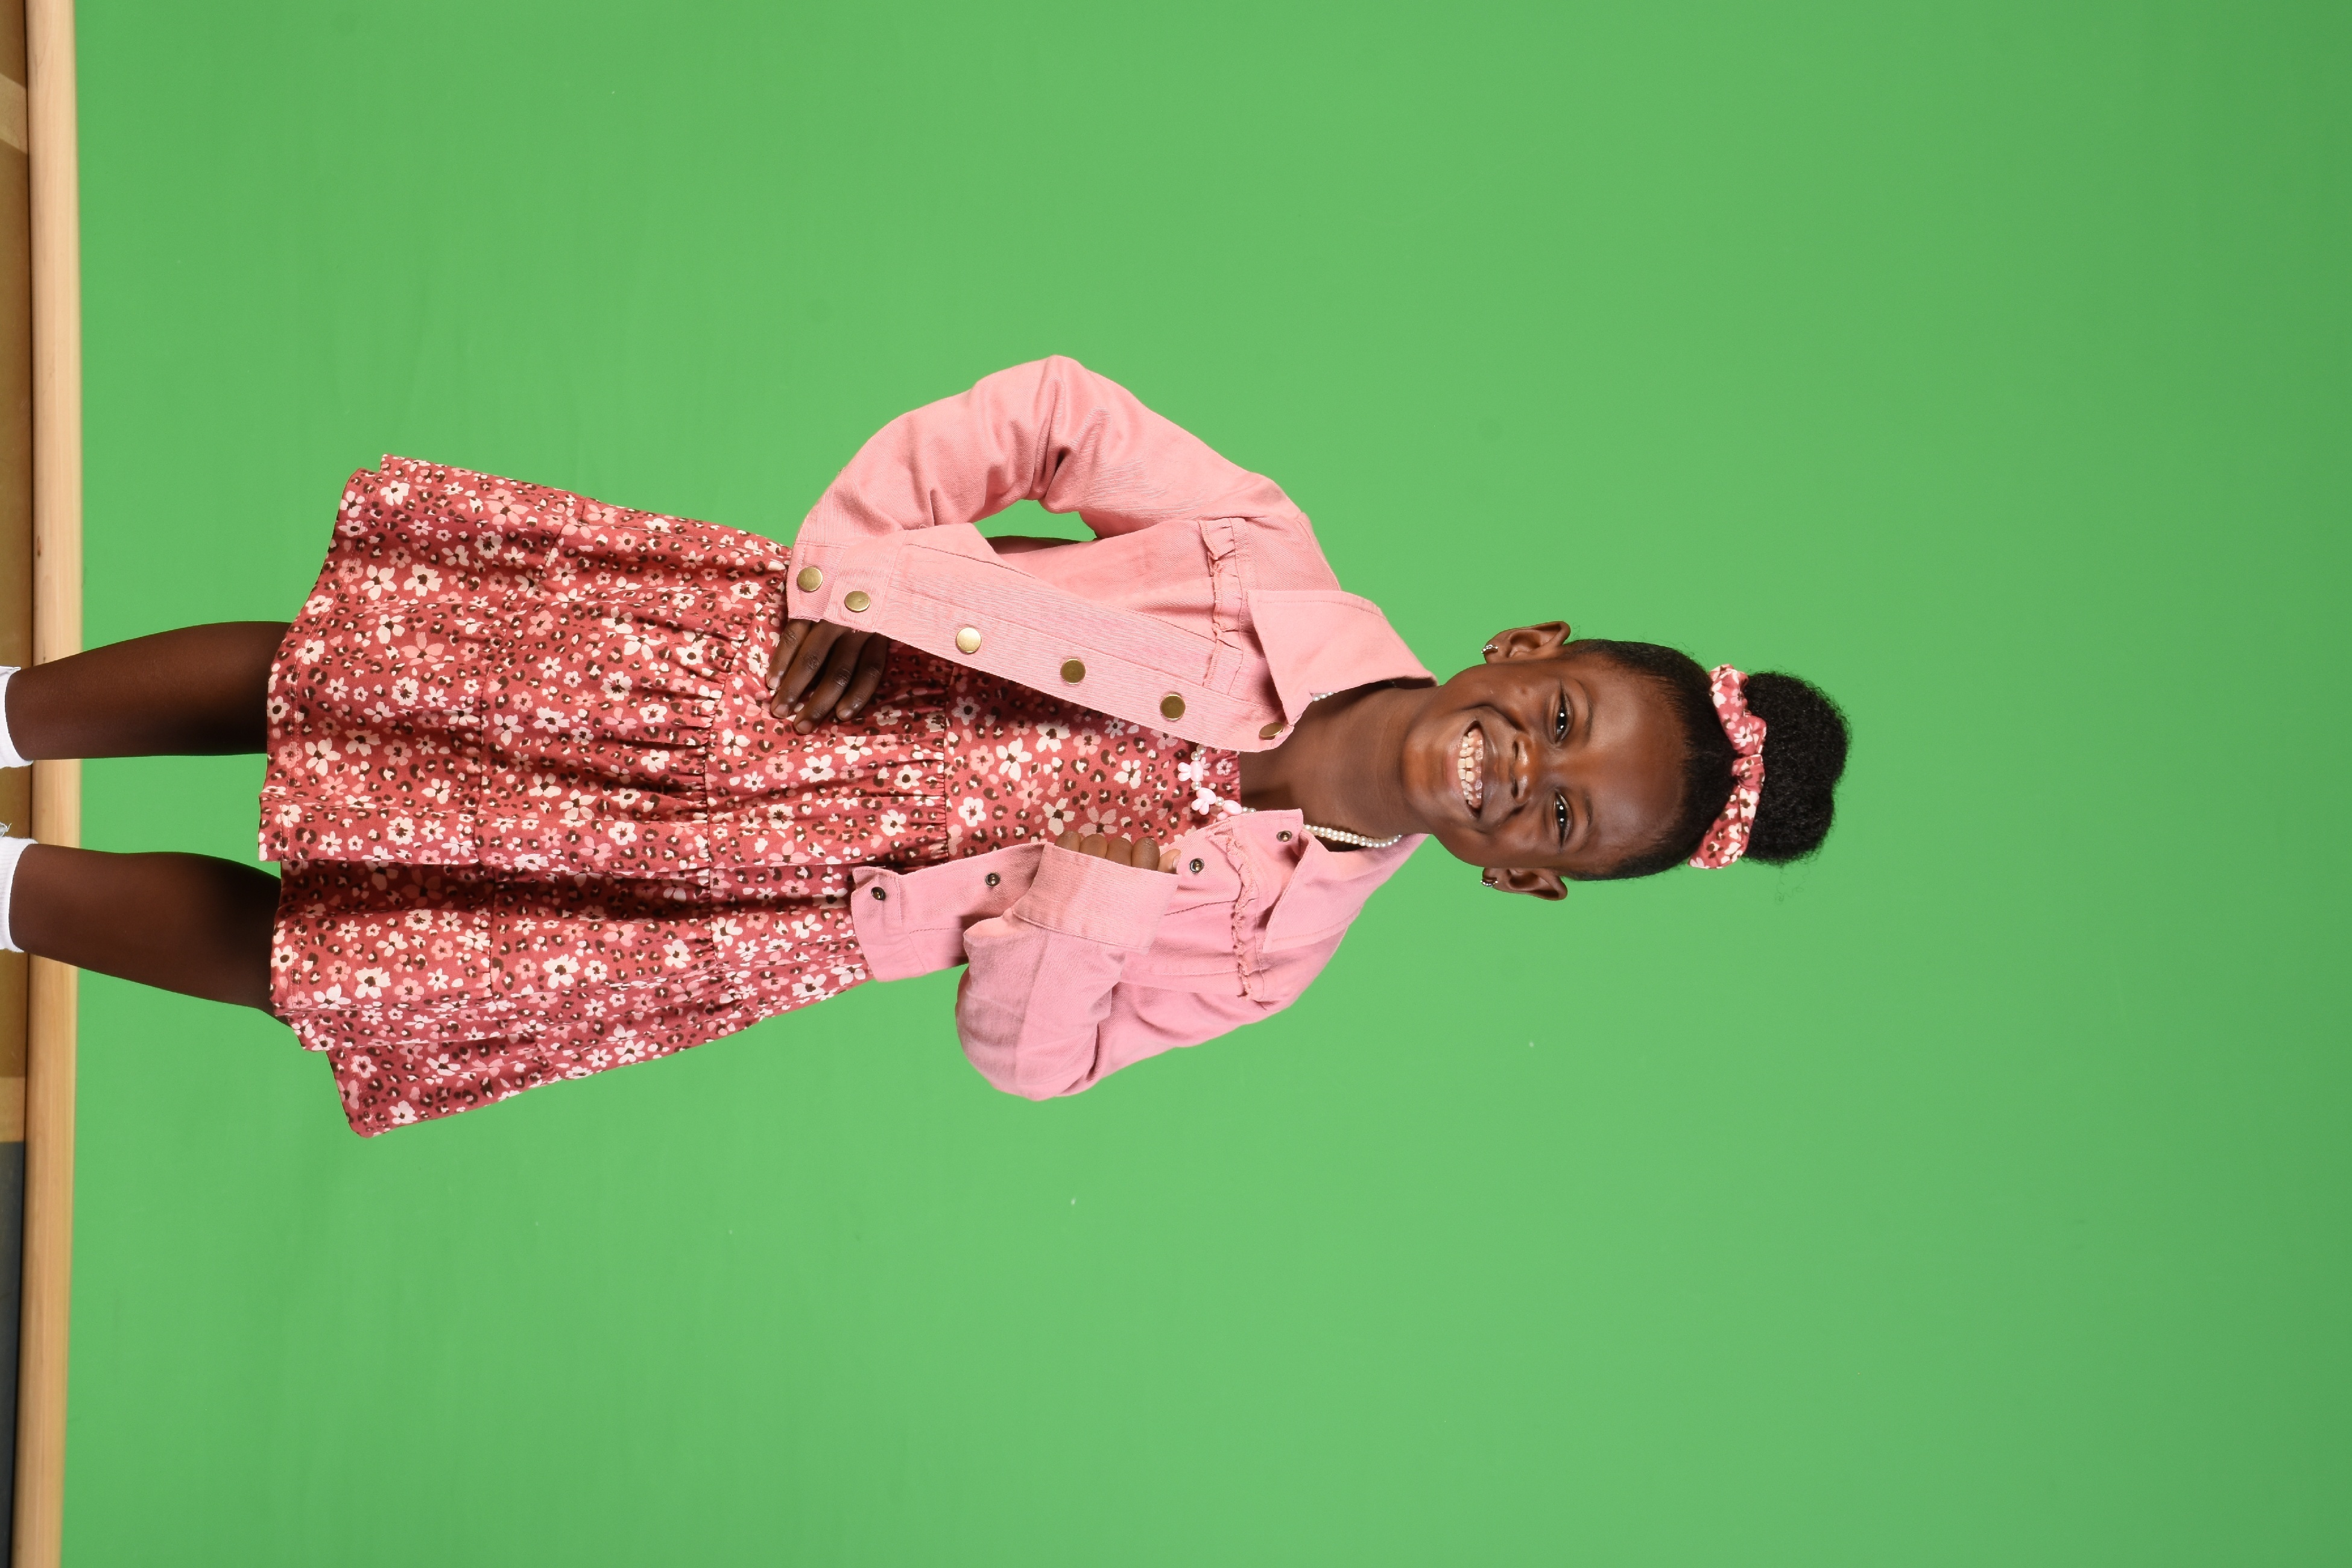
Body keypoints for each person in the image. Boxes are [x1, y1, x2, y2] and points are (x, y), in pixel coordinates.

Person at [0, 358, 1848, 1134]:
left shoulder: (1268, 956)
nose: (1521, 767)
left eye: (1561, 815)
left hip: (762, 907)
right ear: (1529, 651)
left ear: (1525, 876)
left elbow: (1035, 1064)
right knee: (362, 673)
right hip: (770, 685)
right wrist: (858, 563)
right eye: (1560, 721)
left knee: (369, 962)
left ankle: (11, 888)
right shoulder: (1257, 554)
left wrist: (1087, 906)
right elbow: (1050, 412)